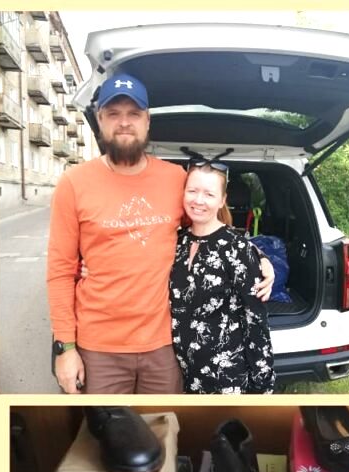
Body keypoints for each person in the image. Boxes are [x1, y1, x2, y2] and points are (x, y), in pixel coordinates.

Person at [46, 73, 274, 394]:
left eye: (134, 113)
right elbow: (59, 271)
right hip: (98, 347)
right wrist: (65, 348)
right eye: (113, 113)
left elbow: (208, 224)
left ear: (147, 121)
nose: (124, 122)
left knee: (165, 421)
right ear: (99, 120)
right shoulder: (74, 183)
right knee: (106, 425)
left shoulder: (174, 179)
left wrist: (257, 256)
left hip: (164, 346)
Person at [170, 160, 275, 394]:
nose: (198, 200)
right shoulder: (176, 242)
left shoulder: (237, 248)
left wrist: (262, 384)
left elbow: (255, 319)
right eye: (193, 191)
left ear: (222, 200)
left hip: (225, 377)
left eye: (209, 194)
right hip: (182, 374)